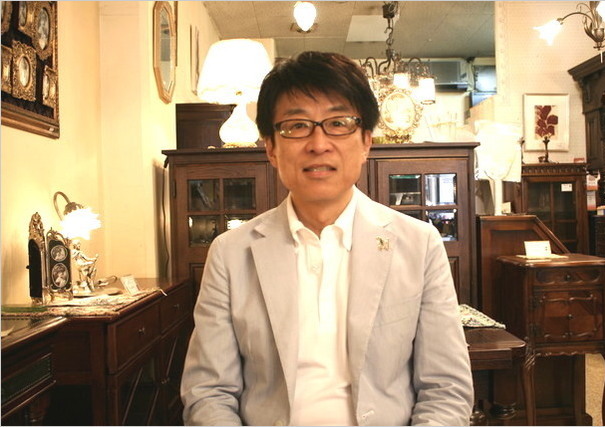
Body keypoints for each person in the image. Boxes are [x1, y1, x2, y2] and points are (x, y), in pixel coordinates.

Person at [181, 51, 474, 426]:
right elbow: (208, 391)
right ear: (271, 148)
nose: (318, 144)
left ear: (366, 141)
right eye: (296, 126)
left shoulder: (419, 244)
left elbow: (446, 389)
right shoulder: (231, 253)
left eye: (338, 123)